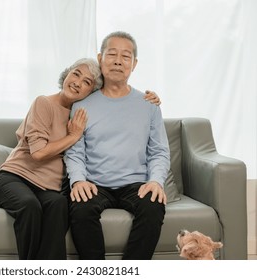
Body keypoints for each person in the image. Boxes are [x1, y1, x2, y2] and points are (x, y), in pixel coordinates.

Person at [0, 58, 161, 260]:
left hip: (49, 187)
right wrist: (73, 136)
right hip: (16, 177)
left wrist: (149, 99)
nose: (78, 82)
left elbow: (119, 110)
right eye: (76, 74)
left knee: (59, 207)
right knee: (30, 207)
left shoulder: (84, 113)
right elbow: (38, 153)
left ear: (92, 92)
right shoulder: (43, 102)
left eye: (87, 82)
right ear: (66, 75)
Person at [64, 31, 170, 260]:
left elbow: (159, 151)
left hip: (136, 183)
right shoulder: (82, 105)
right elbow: (74, 151)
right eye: (111, 54)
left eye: (126, 56)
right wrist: (78, 180)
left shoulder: (149, 104)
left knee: (153, 206)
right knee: (80, 208)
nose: (118, 61)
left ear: (134, 64)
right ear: (100, 58)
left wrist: (155, 181)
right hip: (95, 183)